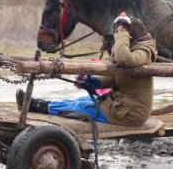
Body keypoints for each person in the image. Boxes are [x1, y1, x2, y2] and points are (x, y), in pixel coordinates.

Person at [18, 13, 158, 125]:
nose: (118, 35)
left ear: (131, 34)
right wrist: (93, 81)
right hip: (121, 104)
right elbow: (113, 77)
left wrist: (122, 36)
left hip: (130, 112)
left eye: (122, 32)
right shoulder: (125, 48)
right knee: (80, 100)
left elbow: (124, 59)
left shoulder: (144, 51)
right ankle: (38, 104)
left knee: (81, 108)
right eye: (116, 31)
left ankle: (39, 107)